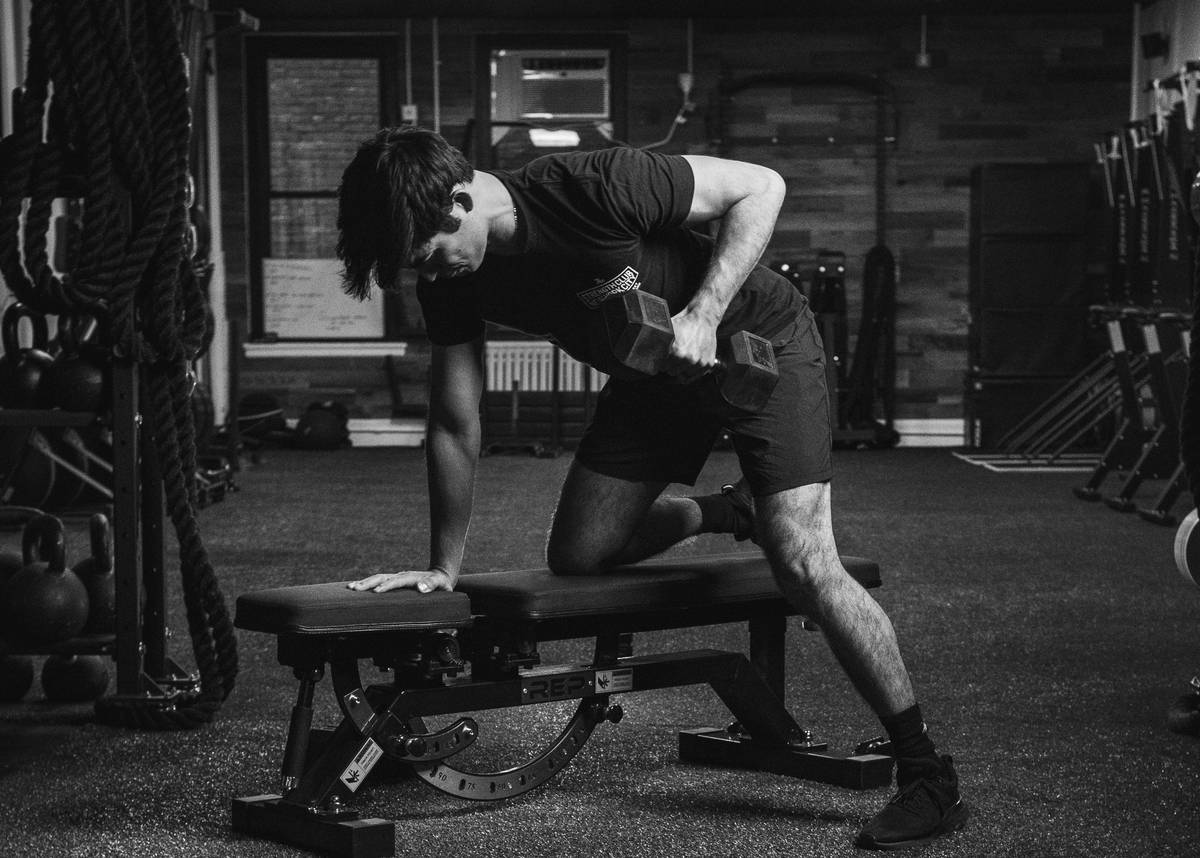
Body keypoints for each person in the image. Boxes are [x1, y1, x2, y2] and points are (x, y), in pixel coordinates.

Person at [334, 126, 967, 851]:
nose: (431, 274)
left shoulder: (593, 187)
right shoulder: (453, 280)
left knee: (802, 561)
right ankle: (729, 510)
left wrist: (705, 312)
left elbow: (761, 185)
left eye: (427, 254)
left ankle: (926, 771)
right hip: (653, 377)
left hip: (759, 343)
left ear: (458, 201)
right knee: (580, 554)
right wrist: (443, 566)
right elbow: (454, 420)